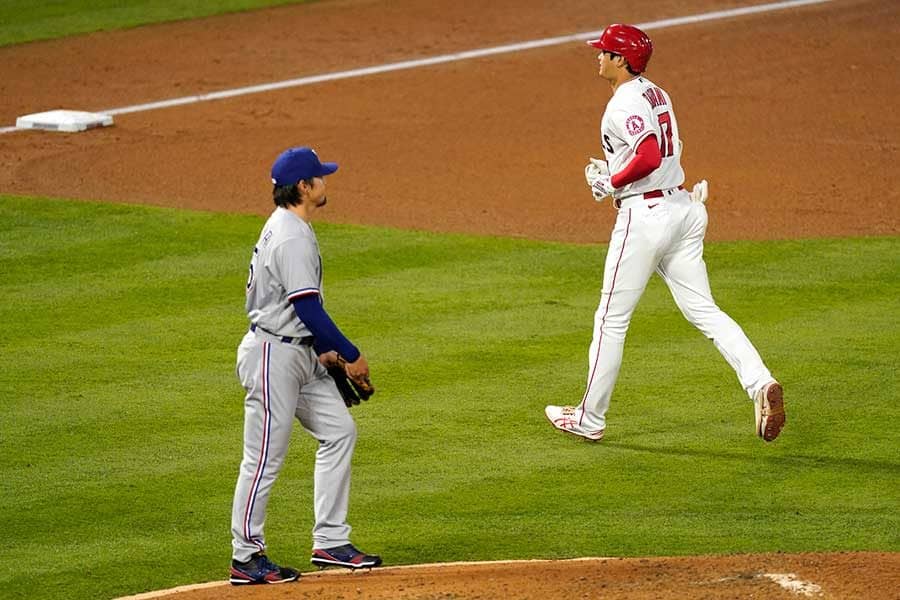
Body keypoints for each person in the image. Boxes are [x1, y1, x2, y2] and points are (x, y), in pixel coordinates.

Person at [545, 24, 785, 443]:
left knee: (611, 321)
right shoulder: (656, 93)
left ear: (621, 60)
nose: (598, 57)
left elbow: (649, 155)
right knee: (705, 310)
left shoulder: (622, 103)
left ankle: (589, 418)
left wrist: (612, 182)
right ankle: (761, 382)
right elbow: (652, 151)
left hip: (646, 219)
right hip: (682, 210)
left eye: (604, 51)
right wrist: (615, 171)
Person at [229, 146, 382, 585]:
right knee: (263, 458)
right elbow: (308, 307)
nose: (325, 181)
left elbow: (298, 310)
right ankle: (246, 555)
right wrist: (350, 353)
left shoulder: (291, 225)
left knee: (339, 431)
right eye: (320, 176)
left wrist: (322, 351)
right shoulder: (291, 236)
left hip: (299, 352)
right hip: (273, 357)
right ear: (303, 186)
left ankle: (330, 540)